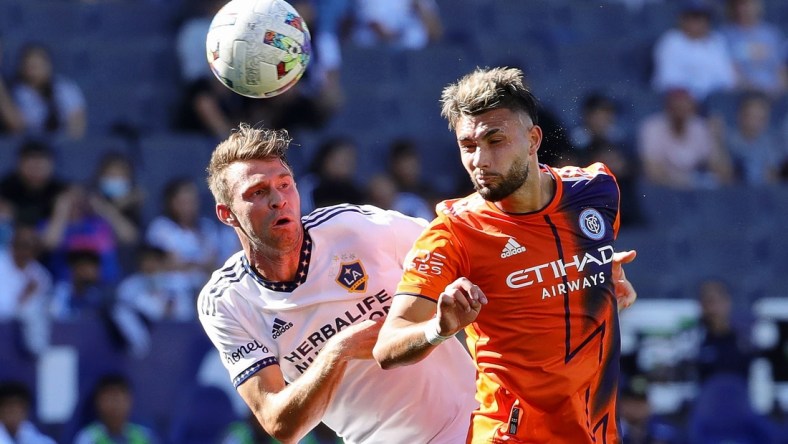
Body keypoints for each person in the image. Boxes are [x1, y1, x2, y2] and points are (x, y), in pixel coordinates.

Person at [197, 121, 637, 444]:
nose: (278, 199)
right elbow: (280, 425)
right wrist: (336, 352)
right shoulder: (226, 302)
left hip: (483, 423)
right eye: (257, 193)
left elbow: (478, 253)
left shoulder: (356, 228)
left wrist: (585, 275)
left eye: (285, 184)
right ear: (226, 214)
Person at [373, 67, 636, 443]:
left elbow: (572, 265)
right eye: (468, 146)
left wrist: (601, 282)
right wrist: (440, 329)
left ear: (533, 139)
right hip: (510, 435)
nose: (480, 160)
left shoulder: (597, 190)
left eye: (496, 141)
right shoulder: (452, 234)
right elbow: (387, 347)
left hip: (597, 431)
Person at [651, 2, 737, 102]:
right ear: (682, 19)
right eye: (694, 17)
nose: (699, 22)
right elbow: (669, 80)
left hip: (714, 100)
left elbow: (728, 80)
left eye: (703, 17)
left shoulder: (717, 41)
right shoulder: (672, 41)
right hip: (680, 102)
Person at [10, 43, 86, 140]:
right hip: (29, 144)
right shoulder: (15, 92)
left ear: (48, 65)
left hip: (63, 144)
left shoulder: (65, 88)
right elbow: (16, 125)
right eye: (30, 65)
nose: (34, 70)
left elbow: (77, 124)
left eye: (38, 65)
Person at [73, 374, 159, 444]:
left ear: (129, 401)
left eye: (118, 399)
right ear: (98, 402)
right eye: (109, 399)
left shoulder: (144, 435)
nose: (115, 406)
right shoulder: (88, 437)